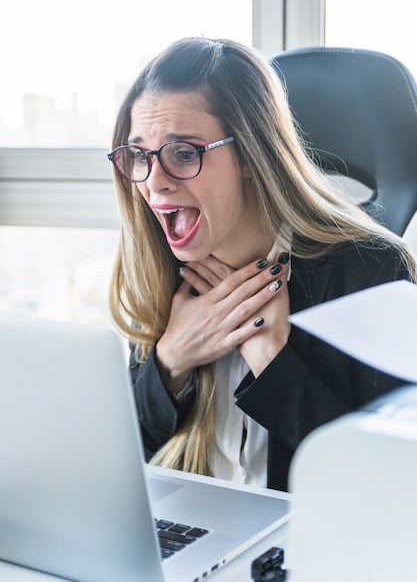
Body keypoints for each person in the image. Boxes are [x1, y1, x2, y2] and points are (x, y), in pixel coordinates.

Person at [108, 37, 417, 492]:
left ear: (252, 153)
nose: (154, 184)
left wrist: (271, 359)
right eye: (140, 155)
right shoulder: (161, 268)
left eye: (184, 153)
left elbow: (387, 485)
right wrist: (171, 360)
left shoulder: (371, 274)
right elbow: (116, 456)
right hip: (191, 540)